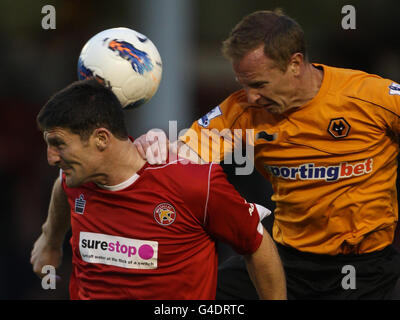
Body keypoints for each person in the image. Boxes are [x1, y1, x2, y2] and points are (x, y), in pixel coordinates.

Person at [135, 9, 400, 299]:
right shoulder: (243, 111)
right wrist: (154, 145)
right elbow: (182, 157)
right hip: (288, 261)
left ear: (295, 64)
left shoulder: (371, 97)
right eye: (244, 85)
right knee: (195, 294)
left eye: (259, 84)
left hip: (364, 268)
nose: (251, 97)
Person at [30, 78, 286, 300]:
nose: (51, 158)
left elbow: (257, 244)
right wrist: (50, 239)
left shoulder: (193, 184)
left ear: (101, 139)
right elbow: (61, 188)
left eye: (58, 144)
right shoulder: (77, 179)